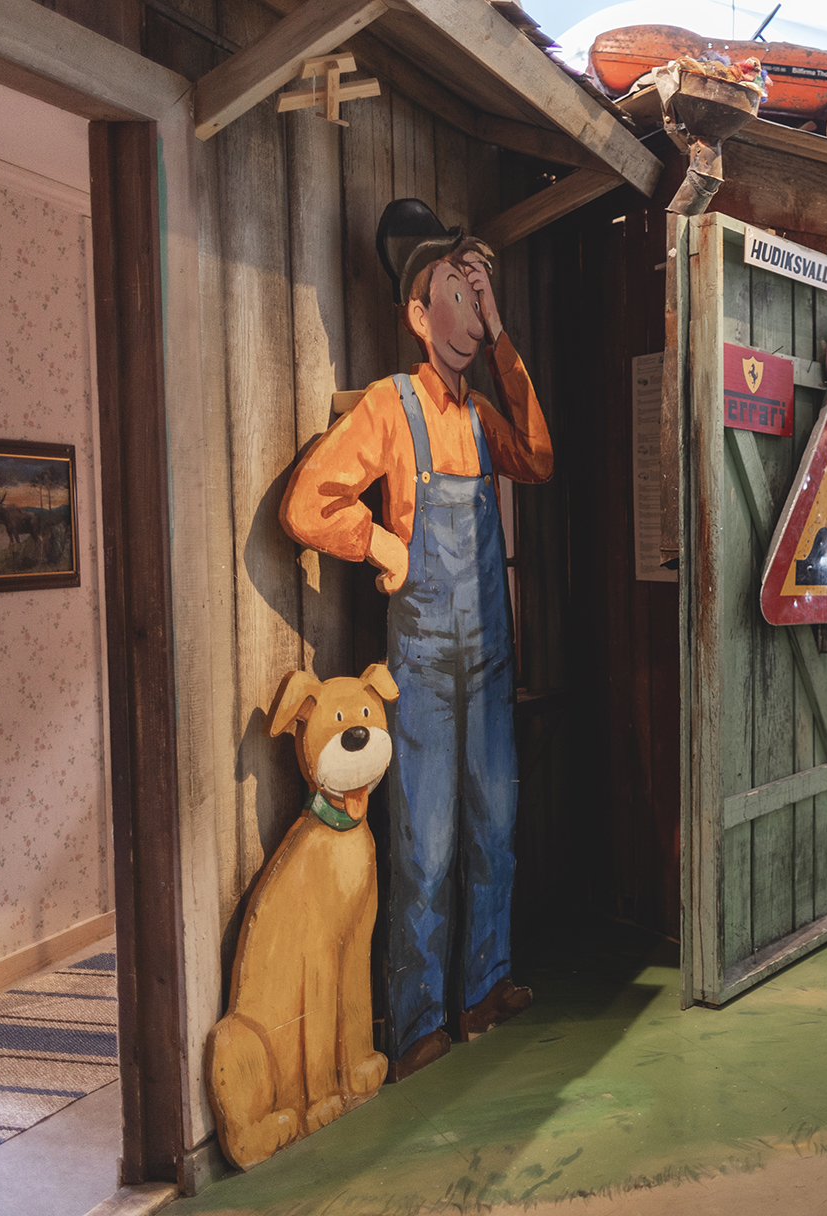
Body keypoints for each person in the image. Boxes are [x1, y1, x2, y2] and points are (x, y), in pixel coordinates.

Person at [281, 199, 551, 1081]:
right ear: (415, 313)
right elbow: (308, 503)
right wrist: (381, 541)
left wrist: (506, 336)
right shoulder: (389, 411)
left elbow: (541, 458)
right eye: (457, 294)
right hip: (426, 666)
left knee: (497, 826)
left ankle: (486, 987)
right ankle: (419, 1019)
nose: (469, 317)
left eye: (480, 299)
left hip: (491, 655)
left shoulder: (480, 415)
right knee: (427, 844)